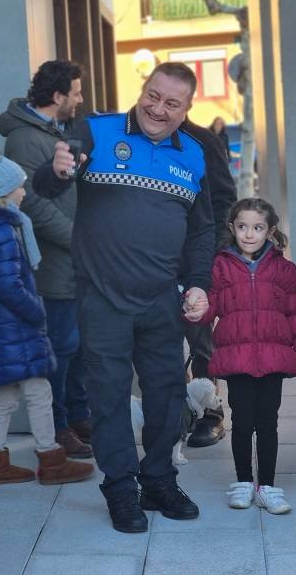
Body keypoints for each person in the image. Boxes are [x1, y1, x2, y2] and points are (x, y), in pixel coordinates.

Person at [34, 61, 214, 533]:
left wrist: (199, 283)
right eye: (153, 95)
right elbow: (48, 185)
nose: (158, 108)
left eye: (171, 103)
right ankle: (120, 489)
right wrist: (56, 171)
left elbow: (202, 230)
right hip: (102, 296)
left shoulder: (194, 154)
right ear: (143, 90)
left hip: (162, 298)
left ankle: (159, 480)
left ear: (186, 108)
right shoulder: (97, 131)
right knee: (109, 397)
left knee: (167, 396)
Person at [0, 140, 94, 486]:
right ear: (6, 191)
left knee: (5, 395)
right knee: (39, 392)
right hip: (13, 326)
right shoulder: (4, 231)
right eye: (20, 186)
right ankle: (51, 460)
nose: (24, 192)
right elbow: (9, 285)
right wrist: (37, 312)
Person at [186, 197, 296, 514]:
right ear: (232, 228)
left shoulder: (284, 270)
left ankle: (268, 487)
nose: (249, 234)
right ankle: (244, 481)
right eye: (243, 227)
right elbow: (209, 306)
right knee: (243, 422)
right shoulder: (219, 268)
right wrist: (196, 310)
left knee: (268, 423)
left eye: (258, 227)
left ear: (270, 231)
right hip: (237, 359)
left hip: (273, 359)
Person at [0, 60, 92, 458]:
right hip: (53, 263)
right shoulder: (24, 140)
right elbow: (33, 205)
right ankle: (57, 428)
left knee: (77, 345)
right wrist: (77, 240)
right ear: (57, 96)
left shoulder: (56, 131)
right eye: (76, 93)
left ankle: (79, 416)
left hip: (74, 261)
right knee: (59, 348)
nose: (80, 100)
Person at [179, 115, 237, 447]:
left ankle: (210, 414)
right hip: (152, 261)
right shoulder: (139, 139)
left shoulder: (204, 141)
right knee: (160, 343)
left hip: (197, 261)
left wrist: (213, 252)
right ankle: (179, 410)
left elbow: (224, 199)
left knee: (201, 342)